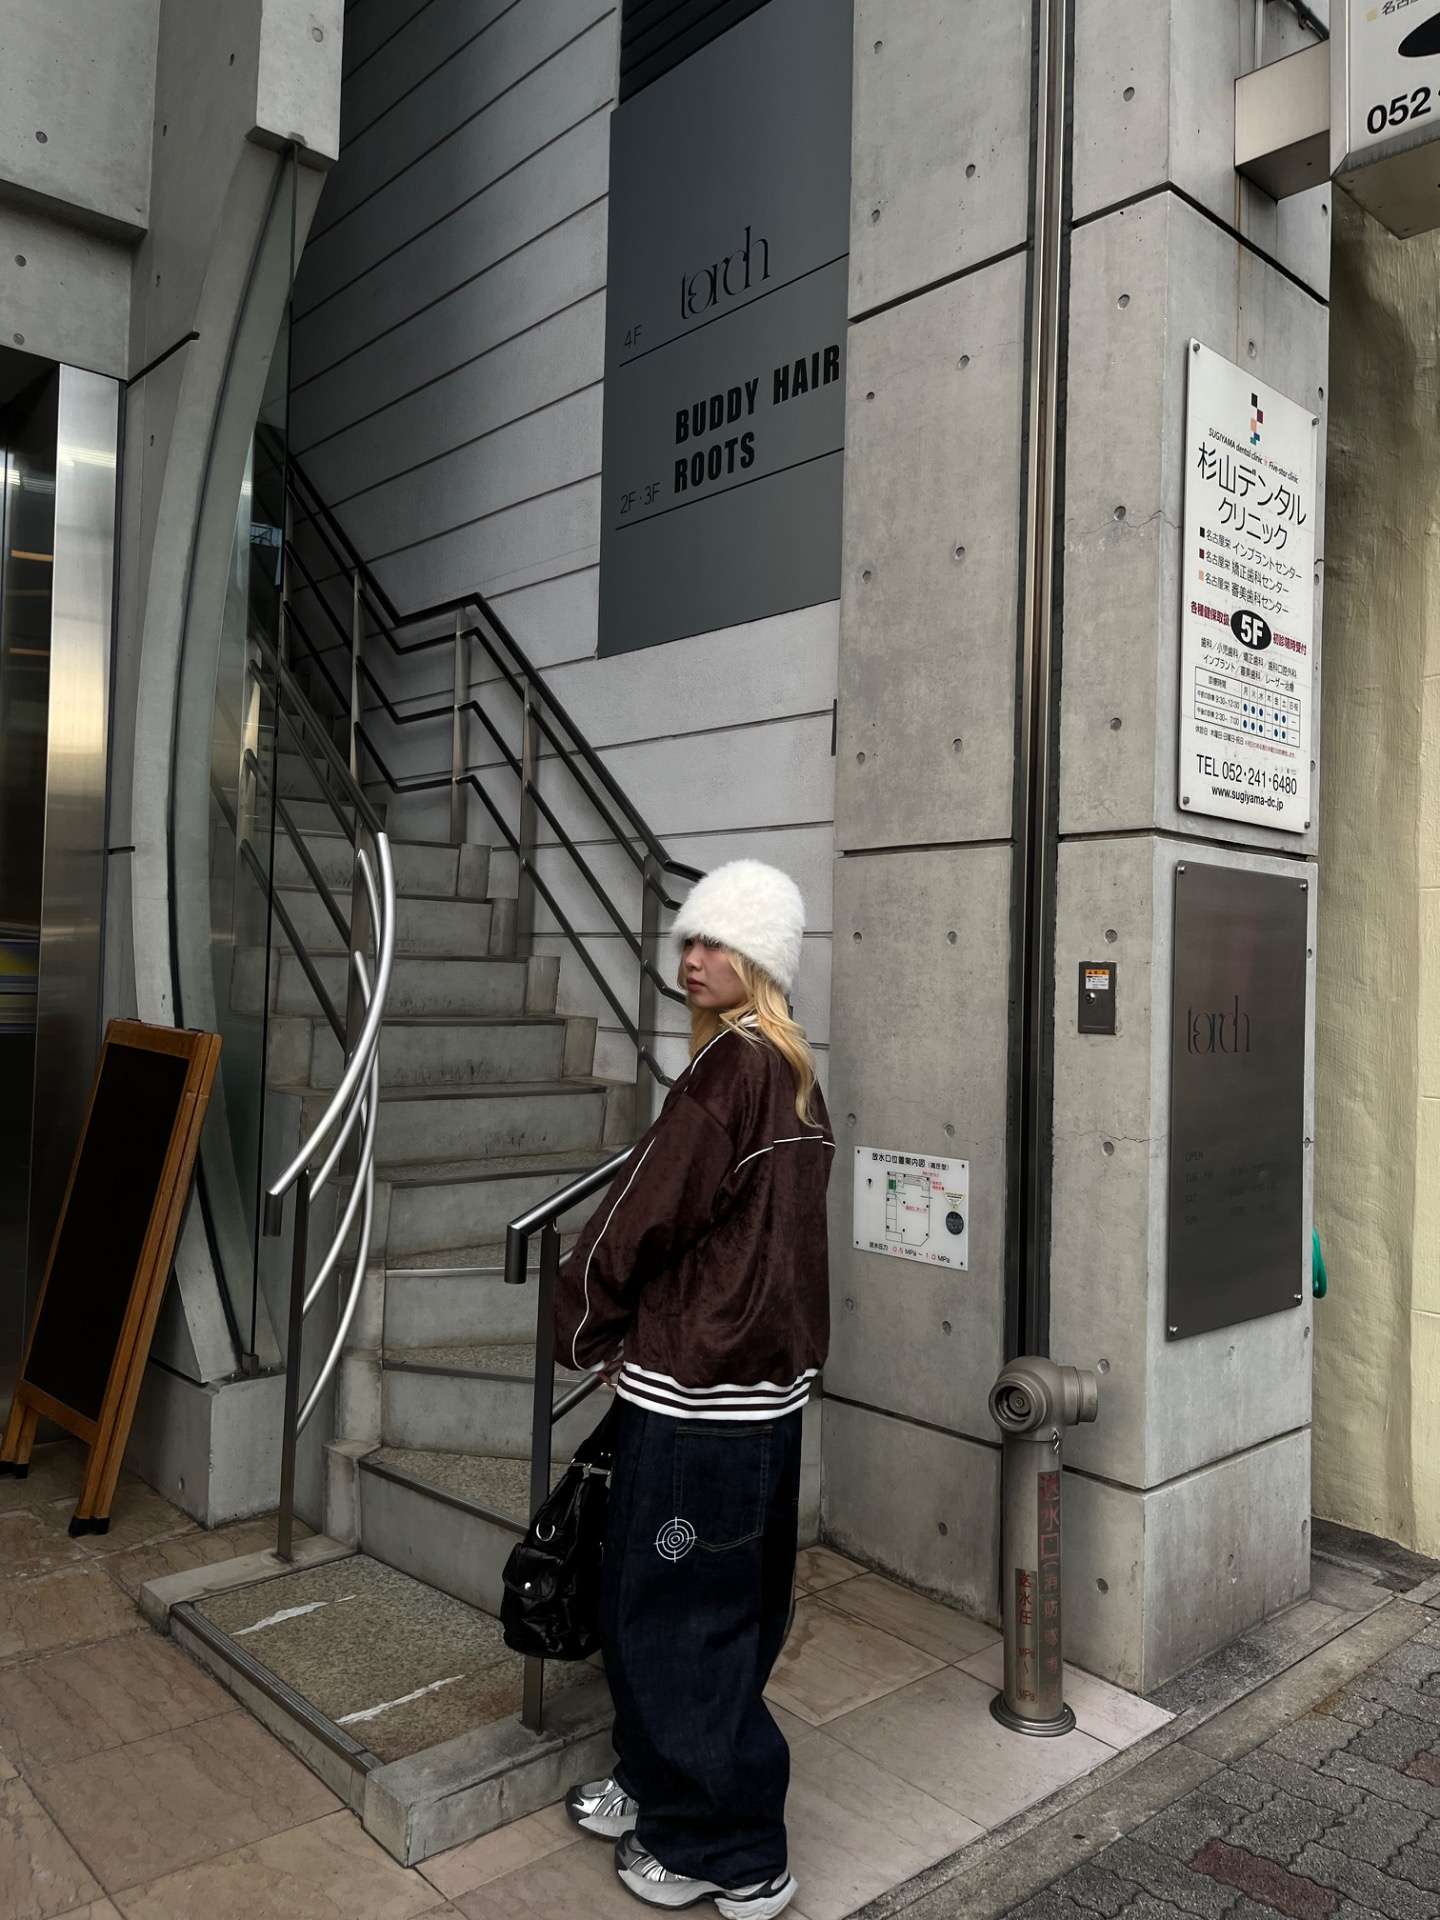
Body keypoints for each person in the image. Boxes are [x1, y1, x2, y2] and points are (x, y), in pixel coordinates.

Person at [555, 859, 833, 1918]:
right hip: (755, 1396)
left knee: (679, 1618)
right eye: (686, 941)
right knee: (715, 1608)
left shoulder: (729, 1073)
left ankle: (730, 1850)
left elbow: (642, 1212)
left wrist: (583, 1317)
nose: (692, 959)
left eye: (718, 944)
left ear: (761, 961)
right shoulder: (792, 1075)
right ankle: (658, 1782)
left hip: (700, 1400)